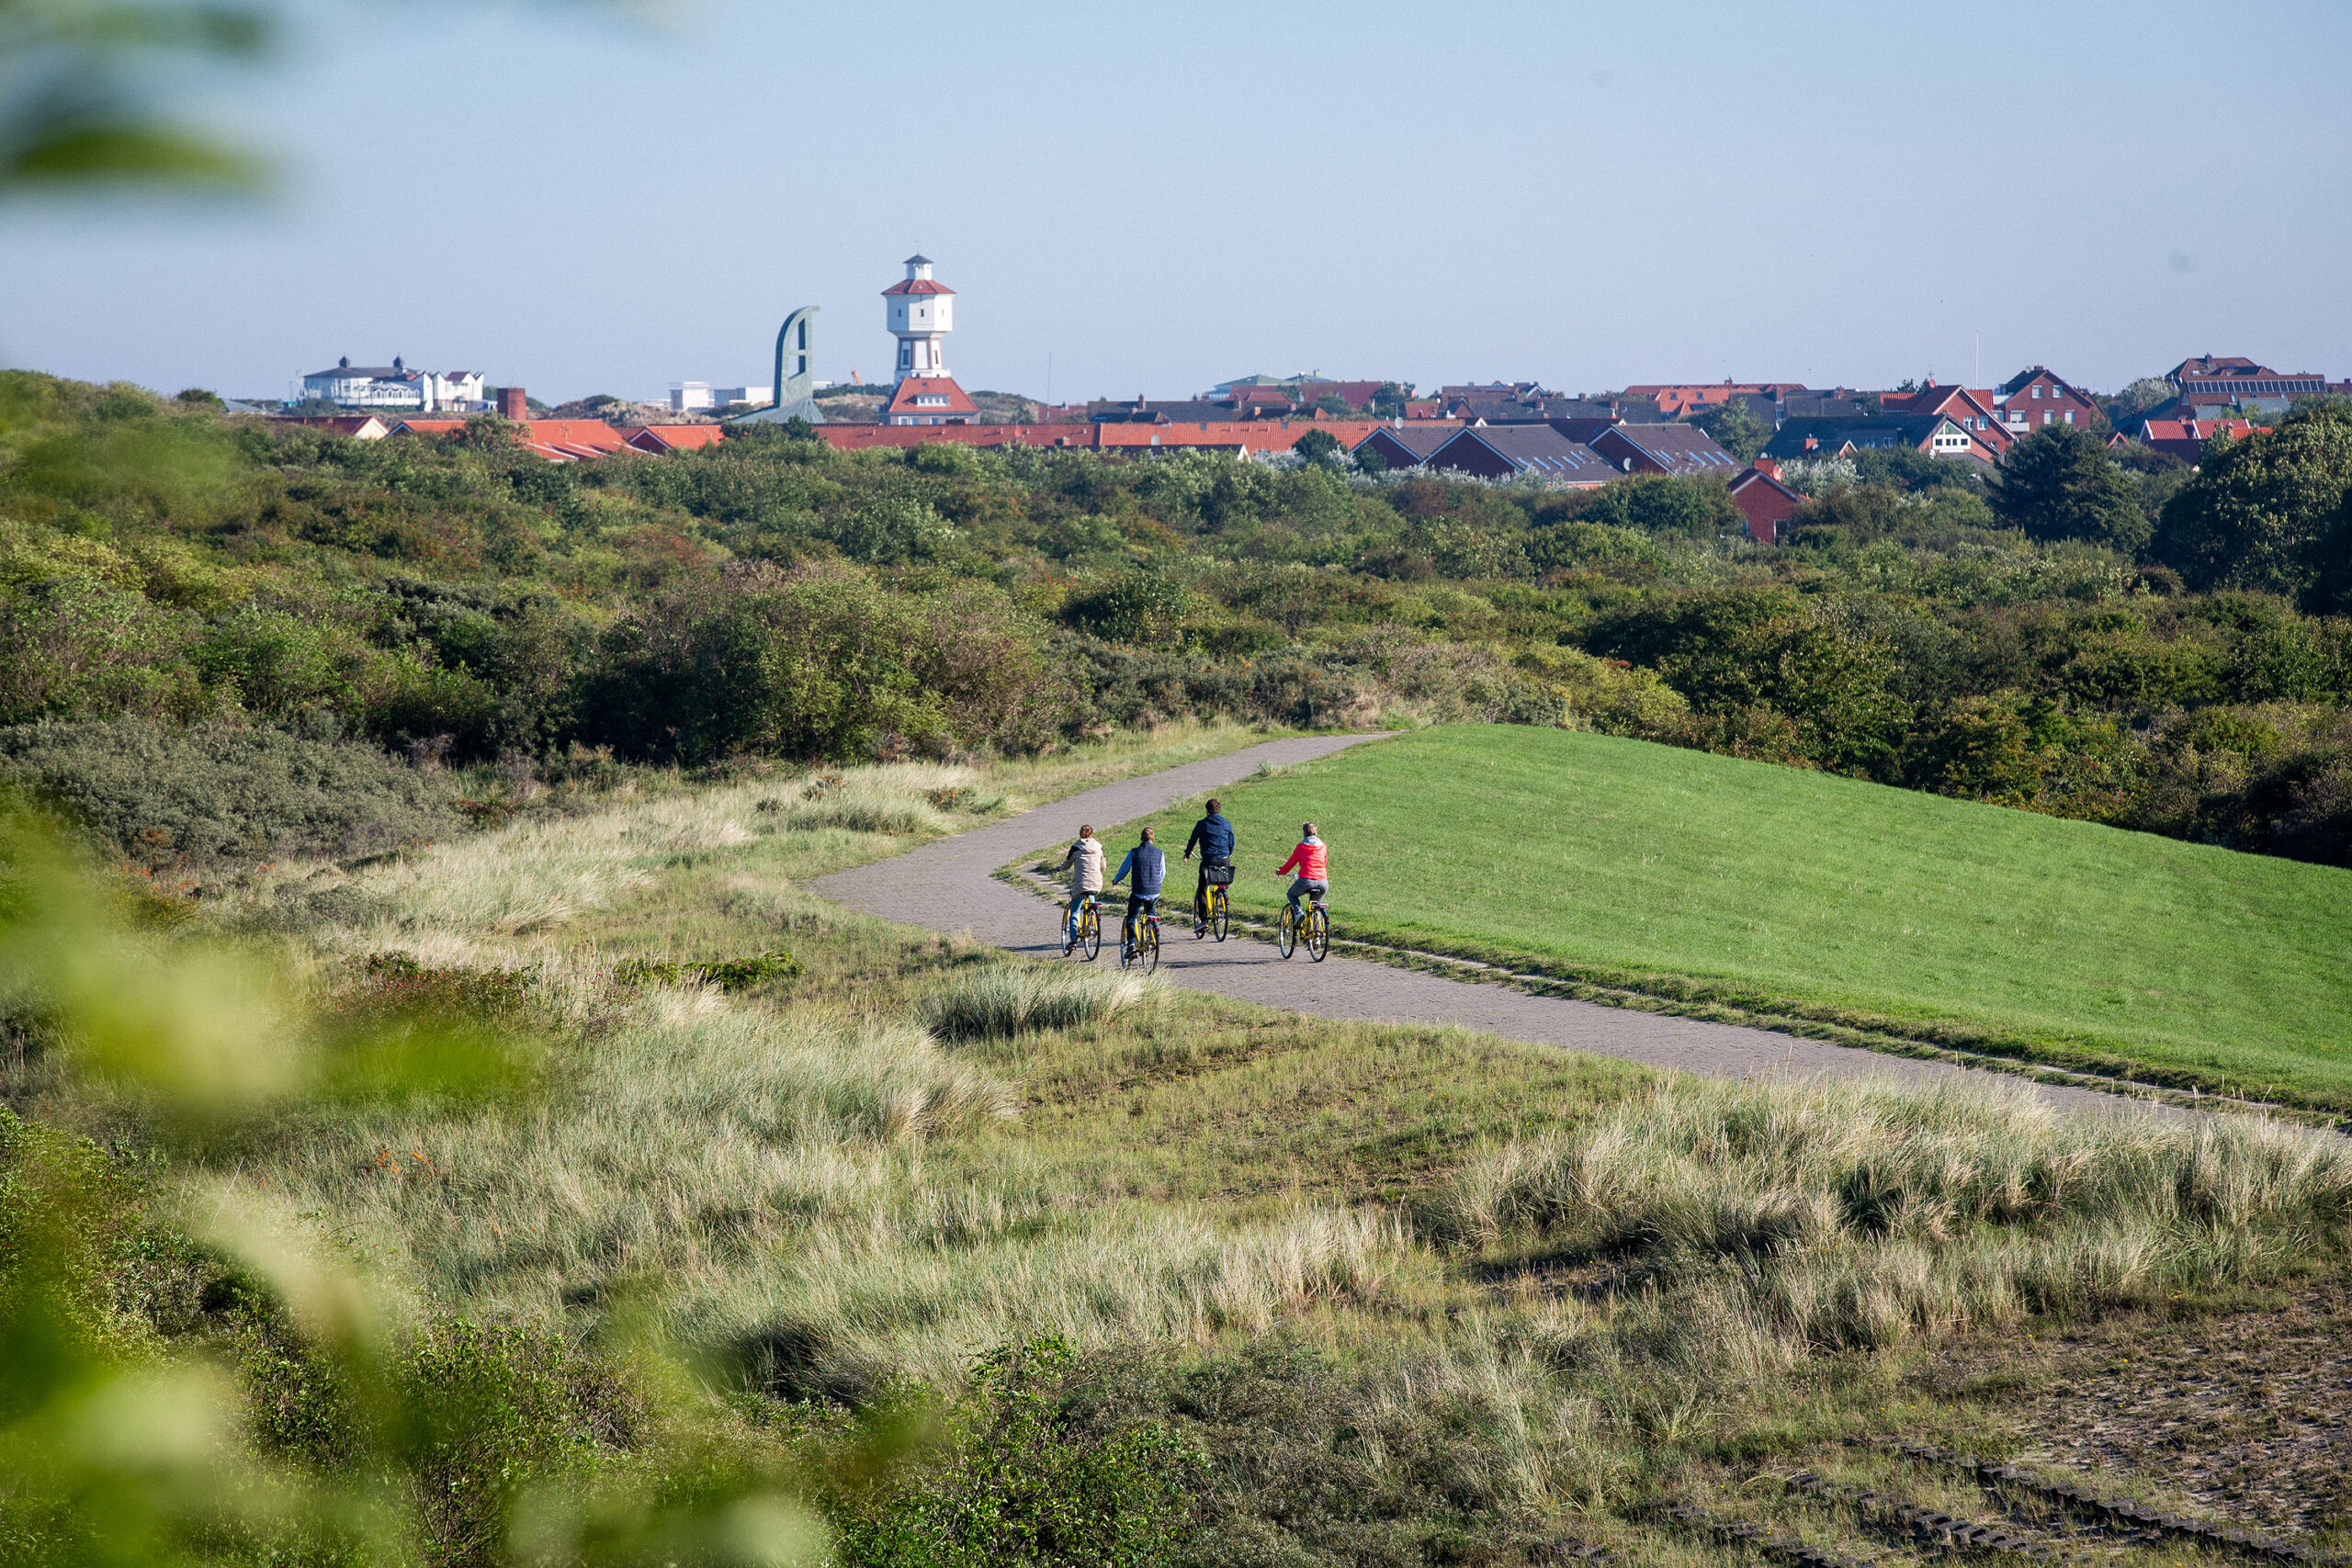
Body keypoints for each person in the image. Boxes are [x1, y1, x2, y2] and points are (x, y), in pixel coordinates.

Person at [1182, 795, 1235, 936]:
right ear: (1219, 810)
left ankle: (1204, 920)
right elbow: (1231, 841)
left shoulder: (1202, 824)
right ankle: (1221, 895)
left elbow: (1192, 840)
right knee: (1220, 881)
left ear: (1207, 811)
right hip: (1224, 860)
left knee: (1202, 888)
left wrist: (1187, 853)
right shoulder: (1226, 823)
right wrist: (1229, 853)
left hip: (1209, 860)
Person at [1109, 826, 1166, 944]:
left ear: (1141, 839)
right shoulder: (1160, 853)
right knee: (1150, 911)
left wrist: (1116, 880)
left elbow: (1124, 869)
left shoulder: (1134, 852)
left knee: (1132, 916)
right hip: (1155, 891)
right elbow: (1162, 873)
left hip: (1139, 891)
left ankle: (1131, 944)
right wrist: (1155, 883)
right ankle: (1154, 932)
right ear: (1153, 839)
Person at [1058, 824, 1105, 952]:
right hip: (1096, 883)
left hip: (1080, 884)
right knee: (1091, 900)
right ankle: (1094, 918)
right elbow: (1103, 866)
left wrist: (1060, 868)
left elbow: (1067, 865)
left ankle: (1073, 940)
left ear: (1080, 834)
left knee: (1074, 911)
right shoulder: (1099, 848)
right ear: (1092, 835)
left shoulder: (1076, 848)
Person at [1275, 821, 1327, 921]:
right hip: (1323, 882)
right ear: (1316, 833)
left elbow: (1290, 863)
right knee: (1315, 907)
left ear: (1304, 833)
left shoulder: (1301, 847)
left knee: (1291, 894)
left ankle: (1298, 913)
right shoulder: (1323, 846)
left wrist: (1281, 871)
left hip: (1306, 880)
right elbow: (1324, 862)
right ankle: (1316, 932)